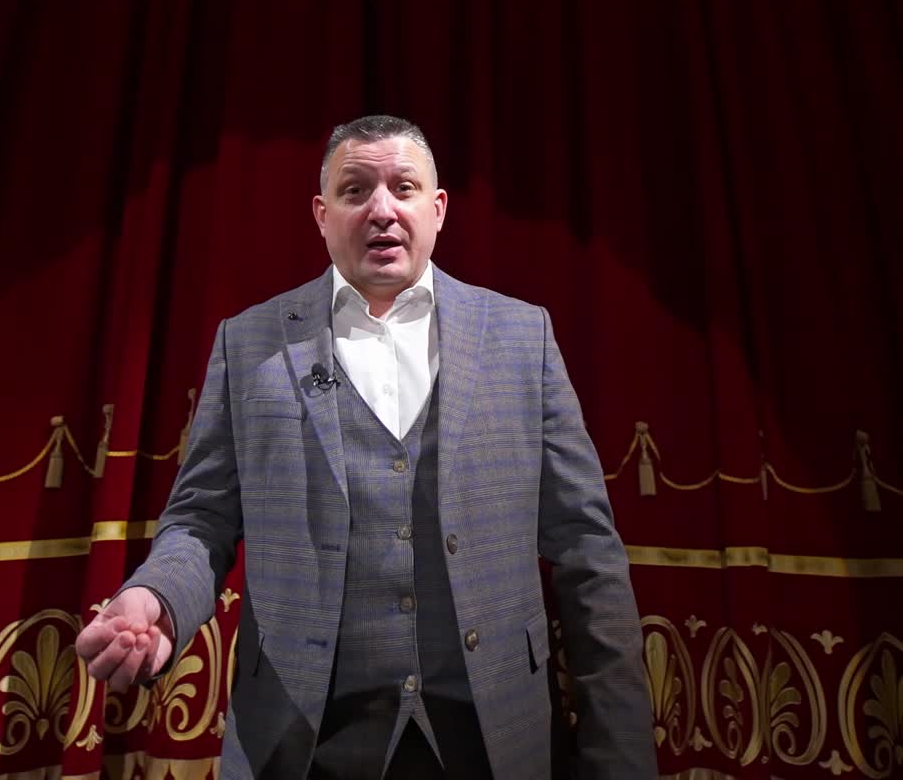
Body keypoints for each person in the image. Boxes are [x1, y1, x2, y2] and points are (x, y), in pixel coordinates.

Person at [77, 115, 656, 779]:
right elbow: (199, 521)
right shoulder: (249, 343)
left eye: (403, 187)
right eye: (355, 191)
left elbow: (589, 554)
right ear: (322, 215)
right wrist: (156, 600)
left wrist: (621, 762)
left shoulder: (522, 339)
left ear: (437, 210)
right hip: (301, 745)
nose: (382, 208)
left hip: (495, 742)